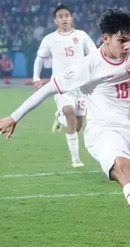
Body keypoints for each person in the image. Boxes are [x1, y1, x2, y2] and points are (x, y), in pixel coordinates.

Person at [0, 8, 130, 247]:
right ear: (105, 38)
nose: (128, 45)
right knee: (126, 170)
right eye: (122, 40)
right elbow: (48, 89)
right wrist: (14, 117)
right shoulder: (89, 65)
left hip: (129, 131)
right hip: (101, 132)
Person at [33, 4, 97, 168]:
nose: (64, 19)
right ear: (55, 21)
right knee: (70, 113)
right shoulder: (49, 39)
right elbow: (40, 59)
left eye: (66, 15)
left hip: (81, 85)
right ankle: (75, 159)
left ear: (71, 18)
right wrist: (36, 77)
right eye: (60, 16)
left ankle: (58, 118)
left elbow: (94, 54)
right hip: (61, 84)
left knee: (78, 125)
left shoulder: (81, 36)